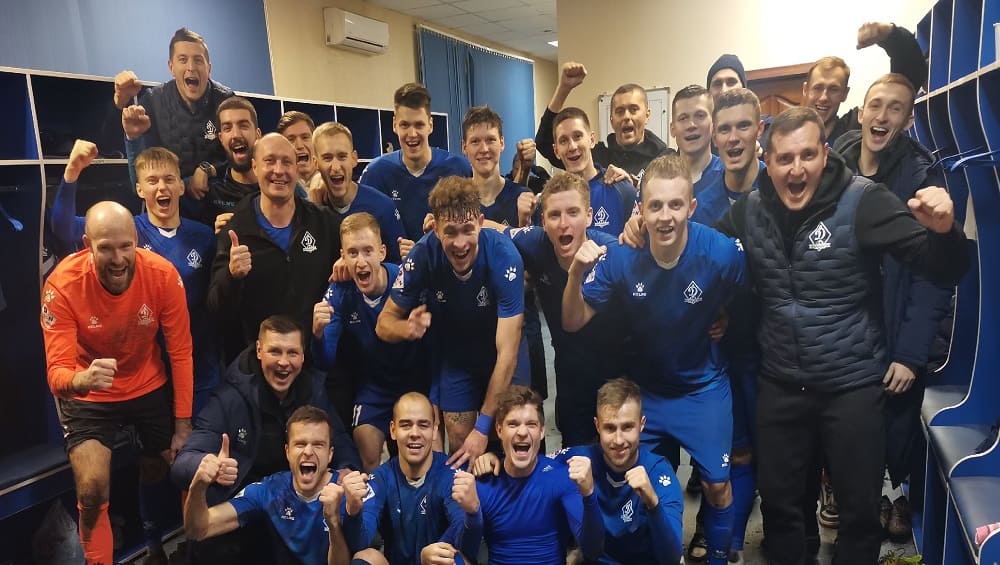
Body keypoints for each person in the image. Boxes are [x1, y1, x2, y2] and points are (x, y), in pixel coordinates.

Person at [701, 107, 966, 565]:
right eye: (785, 159)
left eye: (807, 155)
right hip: (782, 383)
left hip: (852, 385)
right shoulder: (750, 210)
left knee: (859, 514)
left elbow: (944, 266)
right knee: (780, 507)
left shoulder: (864, 201)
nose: (796, 169)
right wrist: (644, 232)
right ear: (769, 161)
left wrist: (945, 231)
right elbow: (700, 253)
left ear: (825, 154)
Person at [564, 153, 747, 565]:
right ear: (641, 210)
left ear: (692, 207)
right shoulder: (622, 255)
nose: (666, 217)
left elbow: (750, 296)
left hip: (702, 387)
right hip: (647, 389)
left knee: (717, 485)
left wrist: (727, 314)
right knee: (628, 478)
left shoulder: (721, 252)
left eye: (676, 205)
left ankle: (718, 558)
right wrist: (575, 274)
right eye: (656, 206)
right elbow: (572, 321)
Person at [833, 73, 953, 540]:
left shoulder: (921, 177)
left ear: (908, 118)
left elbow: (933, 276)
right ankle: (864, 496)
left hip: (895, 327)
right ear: (861, 112)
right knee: (848, 427)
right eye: (876, 105)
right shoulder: (835, 164)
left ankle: (895, 494)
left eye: (895, 108)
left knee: (896, 421)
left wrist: (910, 353)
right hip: (843, 331)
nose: (882, 116)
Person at [40, 200, 194, 565]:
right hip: (89, 391)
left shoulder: (162, 275)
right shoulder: (63, 283)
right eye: (106, 248)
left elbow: (181, 352)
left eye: (126, 246)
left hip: (146, 383)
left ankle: (163, 545)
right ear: (87, 245)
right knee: (92, 489)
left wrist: (183, 424)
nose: (118, 258)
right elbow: (56, 374)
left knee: (174, 466)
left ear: (136, 241)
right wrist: (81, 379)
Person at [172, 315, 359, 562]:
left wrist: (347, 468)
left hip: (294, 501)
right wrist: (207, 467)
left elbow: (340, 440)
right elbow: (182, 464)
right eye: (275, 351)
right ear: (259, 350)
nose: (283, 362)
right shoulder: (229, 398)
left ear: (303, 356)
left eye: (292, 353)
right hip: (246, 503)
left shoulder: (313, 392)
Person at [376, 176, 527, 467]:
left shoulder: (505, 256)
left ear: (481, 223)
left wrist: (483, 428)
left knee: (514, 435)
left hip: (503, 351)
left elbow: (507, 354)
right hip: (458, 356)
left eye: (468, 230)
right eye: (450, 232)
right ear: (435, 228)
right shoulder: (422, 255)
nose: (460, 243)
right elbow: (383, 324)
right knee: (460, 444)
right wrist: (406, 328)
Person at [504, 172, 628, 447]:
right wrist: (435, 229)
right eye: (554, 215)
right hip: (571, 376)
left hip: (617, 375)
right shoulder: (535, 243)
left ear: (589, 216)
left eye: (573, 212)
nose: (563, 224)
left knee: (619, 456)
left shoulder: (610, 253)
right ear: (543, 221)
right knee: (576, 458)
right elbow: (490, 232)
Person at [207, 133, 342, 357]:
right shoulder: (235, 230)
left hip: (314, 359)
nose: (279, 170)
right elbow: (216, 309)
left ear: (296, 169)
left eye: (287, 162)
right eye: (269, 161)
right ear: (255, 167)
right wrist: (231, 276)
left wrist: (348, 264)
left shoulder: (324, 223)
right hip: (259, 362)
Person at [312, 213, 428, 471]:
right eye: (352, 253)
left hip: (415, 382)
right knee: (366, 448)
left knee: (419, 455)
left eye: (368, 251)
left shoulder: (405, 281)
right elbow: (325, 361)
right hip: (374, 386)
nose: (361, 261)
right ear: (342, 257)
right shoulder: (339, 291)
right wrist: (318, 335)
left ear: (382, 252)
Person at [183, 405, 350, 565]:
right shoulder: (270, 490)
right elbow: (198, 530)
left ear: (330, 454)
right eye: (300, 444)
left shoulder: (348, 495)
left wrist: (333, 523)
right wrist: (198, 486)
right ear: (287, 452)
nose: (308, 451)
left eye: (318, 445)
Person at [551, 378, 683, 564]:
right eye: (610, 428)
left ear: (642, 424)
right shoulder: (579, 460)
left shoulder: (658, 472)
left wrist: (653, 503)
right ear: (597, 426)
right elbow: (534, 464)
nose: (619, 440)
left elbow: (672, 559)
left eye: (627, 427)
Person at [340, 392, 482, 564]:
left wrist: (473, 513)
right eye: (406, 425)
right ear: (393, 430)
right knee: (366, 556)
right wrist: (353, 511)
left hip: (437, 561)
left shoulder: (452, 476)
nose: (415, 433)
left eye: (423, 425)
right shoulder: (380, 478)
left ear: (434, 430)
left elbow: (468, 550)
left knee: (453, 559)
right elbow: (359, 544)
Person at [471, 385, 605, 564]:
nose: (522, 432)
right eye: (513, 424)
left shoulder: (560, 478)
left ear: (542, 431)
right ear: (499, 430)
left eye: (531, 424)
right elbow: (463, 551)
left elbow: (593, 550)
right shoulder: (485, 483)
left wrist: (589, 495)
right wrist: (471, 513)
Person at [113, 28, 233, 181]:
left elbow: (244, 157)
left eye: (198, 60)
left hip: (219, 190)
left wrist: (211, 170)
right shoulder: (153, 100)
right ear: (171, 67)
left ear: (208, 68)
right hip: (170, 190)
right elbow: (137, 170)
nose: (191, 67)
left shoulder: (227, 102)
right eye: (183, 59)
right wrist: (120, 103)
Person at [360, 83, 472, 241]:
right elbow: (361, 230)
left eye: (419, 125)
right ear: (394, 125)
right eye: (405, 125)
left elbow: (472, 228)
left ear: (430, 125)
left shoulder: (458, 169)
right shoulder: (376, 173)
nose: (412, 134)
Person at [800, 22, 927, 146]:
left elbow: (910, 75)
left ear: (845, 94)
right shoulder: (790, 135)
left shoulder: (859, 129)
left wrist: (890, 34)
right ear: (805, 89)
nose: (824, 97)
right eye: (818, 88)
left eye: (834, 89)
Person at [535, 62, 668, 180]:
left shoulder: (664, 160)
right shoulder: (598, 156)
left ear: (647, 115)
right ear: (612, 120)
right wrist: (563, 89)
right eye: (620, 111)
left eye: (633, 109)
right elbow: (544, 143)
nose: (626, 116)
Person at [311, 121, 406, 262]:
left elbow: (400, 266)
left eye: (342, 156)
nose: (335, 167)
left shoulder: (382, 208)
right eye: (327, 158)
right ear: (315, 163)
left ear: (354, 159)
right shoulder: (310, 211)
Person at [550, 107, 638, 237]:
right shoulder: (551, 199)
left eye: (577, 136)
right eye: (564, 141)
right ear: (556, 151)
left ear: (591, 140)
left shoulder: (622, 189)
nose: (572, 147)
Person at [670, 85, 725, 196]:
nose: (691, 125)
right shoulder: (655, 180)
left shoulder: (730, 175)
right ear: (672, 129)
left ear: (714, 124)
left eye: (700, 116)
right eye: (683, 118)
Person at [277, 111, 323, 194]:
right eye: (291, 139)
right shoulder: (278, 191)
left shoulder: (333, 184)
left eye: (305, 137)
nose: (299, 146)